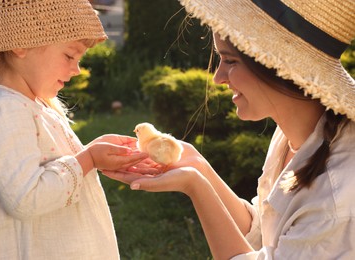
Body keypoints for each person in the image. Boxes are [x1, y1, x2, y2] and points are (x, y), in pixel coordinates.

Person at [102, 0, 355, 259]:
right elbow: (266, 233)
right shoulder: (292, 135)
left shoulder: (336, 195)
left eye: (230, 61)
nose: (218, 77)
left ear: (279, 69)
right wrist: (199, 166)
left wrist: (196, 186)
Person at [0, 0, 148, 259]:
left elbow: (47, 164)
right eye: (69, 56)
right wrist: (88, 159)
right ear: (21, 42)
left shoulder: (30, 103)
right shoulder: (3, 109)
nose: (76, 70)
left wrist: (90, 153)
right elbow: (26, 197)